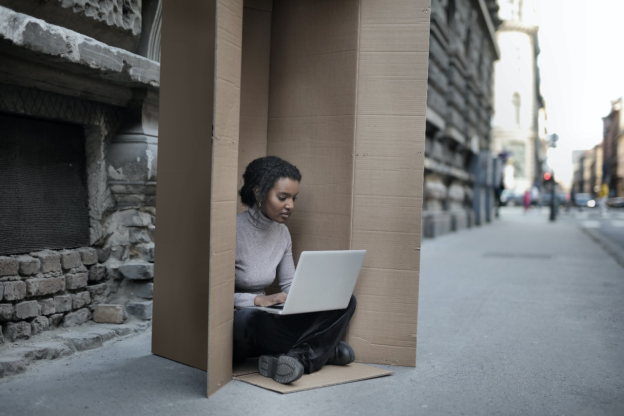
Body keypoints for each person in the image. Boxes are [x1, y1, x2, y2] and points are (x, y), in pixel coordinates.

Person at [233, 156, 357, 384]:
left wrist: (315, 296)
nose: (290, 205)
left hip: (272, 316)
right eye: (283, 197)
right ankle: (324, 353)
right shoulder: (232, 230)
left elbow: (289, 285)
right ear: (258, 192)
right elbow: (212, 296)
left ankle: (294, 359)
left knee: (345, 300)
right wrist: (258, 300)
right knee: (247, 320)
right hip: (243, 319)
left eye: (293, 198)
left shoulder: (282, 233)